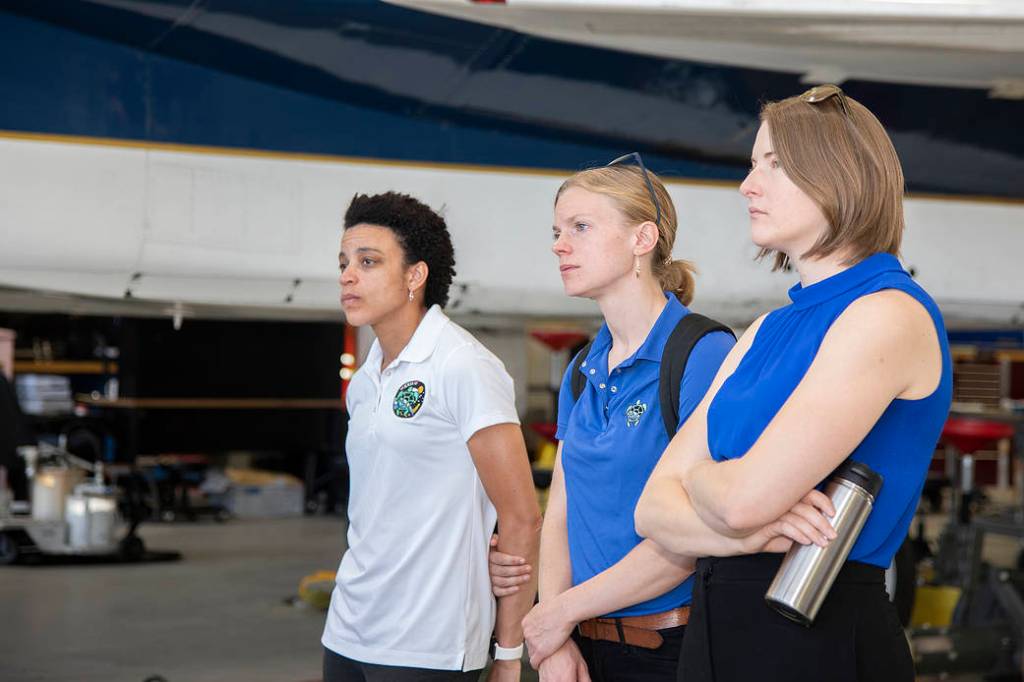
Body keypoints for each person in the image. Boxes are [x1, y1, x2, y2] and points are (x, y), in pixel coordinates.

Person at [634, 85, 953, 682]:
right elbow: (652, 511)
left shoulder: (887, 314)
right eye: (753, 165)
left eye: (774, 165)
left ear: (841, 175)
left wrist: (700, 481)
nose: (748, 185)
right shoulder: (765, 329)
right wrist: (745, 533)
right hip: (716, 634)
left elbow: (741, 501)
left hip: (818, 636)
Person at [490, 156, 741, 682]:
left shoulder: (702, 354)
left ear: (641, 239)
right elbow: (560, 509)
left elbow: (693, 535)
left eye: (580, 227)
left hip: (672, 650)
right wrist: (557, 636)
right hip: (580, 644)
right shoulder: (585, 367)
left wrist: (557, 613)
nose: (560, 244)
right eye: (557, 231)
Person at [322, 192, 541, 682]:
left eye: (369, 261)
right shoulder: (365, 380)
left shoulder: (464, 365)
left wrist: (509, 655)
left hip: (429, 645)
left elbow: (522, 517)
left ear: (415, 276)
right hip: (348, 630)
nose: (347, 276)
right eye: (344, 263)